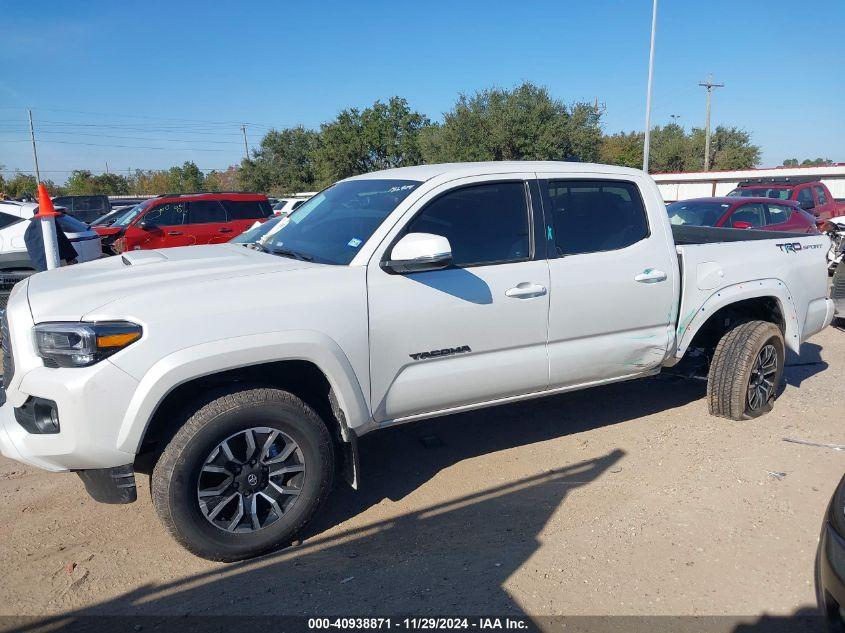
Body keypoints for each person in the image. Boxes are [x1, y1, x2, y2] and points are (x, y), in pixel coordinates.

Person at [23, 208, 78, 272]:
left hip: (42, 264)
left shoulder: (33, 226)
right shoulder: (47, 222)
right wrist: (70, 258)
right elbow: (62, 240)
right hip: (53, 263)